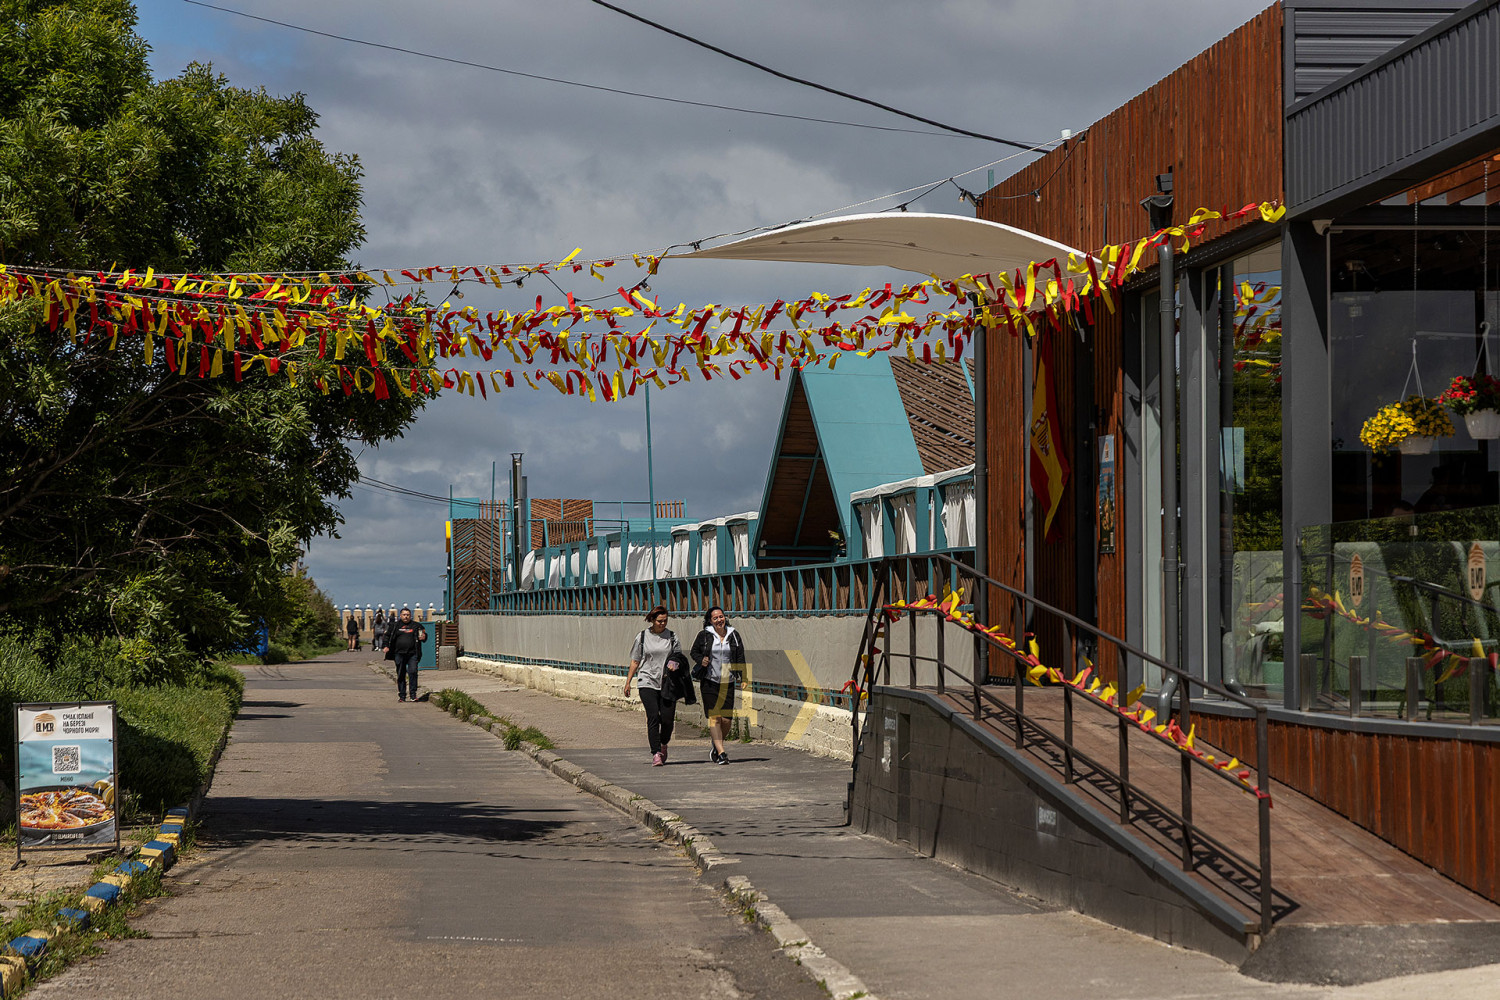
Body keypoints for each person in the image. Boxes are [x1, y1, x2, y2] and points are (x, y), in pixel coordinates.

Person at [623, 606, 685, 766]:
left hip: (667, 683)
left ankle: (663, 744)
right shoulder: (642, 637)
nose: (662, 623)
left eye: (665, 620)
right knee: (653, 717)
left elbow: (678, 657)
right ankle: (656, 753)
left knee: (667, 719)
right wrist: (628, 682)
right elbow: (635, 660)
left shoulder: (672, 637)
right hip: (647, 681)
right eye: (659, 621)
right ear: (652, 620)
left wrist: (674, 665)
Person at [691, 606, 745, 764]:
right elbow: (694, 652)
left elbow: (740, 656)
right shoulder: (704, 635)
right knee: (714, 717)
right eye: (715, 618)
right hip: (709, 681)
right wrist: (701, 660)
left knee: (726, 720)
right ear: (710, 621)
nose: (719, 620)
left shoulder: (733, 635)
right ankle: (722, 753)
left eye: (721, 617)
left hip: (727, 682)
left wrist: (743, 677)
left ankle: (716, 744)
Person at [382, 607, 427, 703]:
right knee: (401, 674)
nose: (406, 617)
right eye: (404, 615)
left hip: (412, 654)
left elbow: (423, 635)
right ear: (400, 615)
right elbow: (387, 636)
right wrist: (386, 646)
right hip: (399, 653)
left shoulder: (416, 626)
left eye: (408, 615)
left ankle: (413, 694)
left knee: (413, 672)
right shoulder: (395, 626)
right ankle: (402, 695)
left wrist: (424, 637)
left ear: (410, 616)